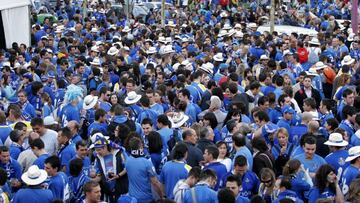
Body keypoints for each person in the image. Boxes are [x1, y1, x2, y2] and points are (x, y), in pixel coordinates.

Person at [90, 134, 128, 202]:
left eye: (99, 150)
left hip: (121, 190)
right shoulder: (98, 158)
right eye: (96, 150)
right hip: (108, 191)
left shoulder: (119, 153)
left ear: (105, 147)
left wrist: (118, 175)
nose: (97, 152)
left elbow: (127, 168)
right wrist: (89, 180)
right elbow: (99, 176)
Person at [125, 137, 164, 202]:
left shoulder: (127, 160)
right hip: (146, 199)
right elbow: (155, 183)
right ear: (141, 146)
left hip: (132, 198)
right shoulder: (147, 163)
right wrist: (161, 196)